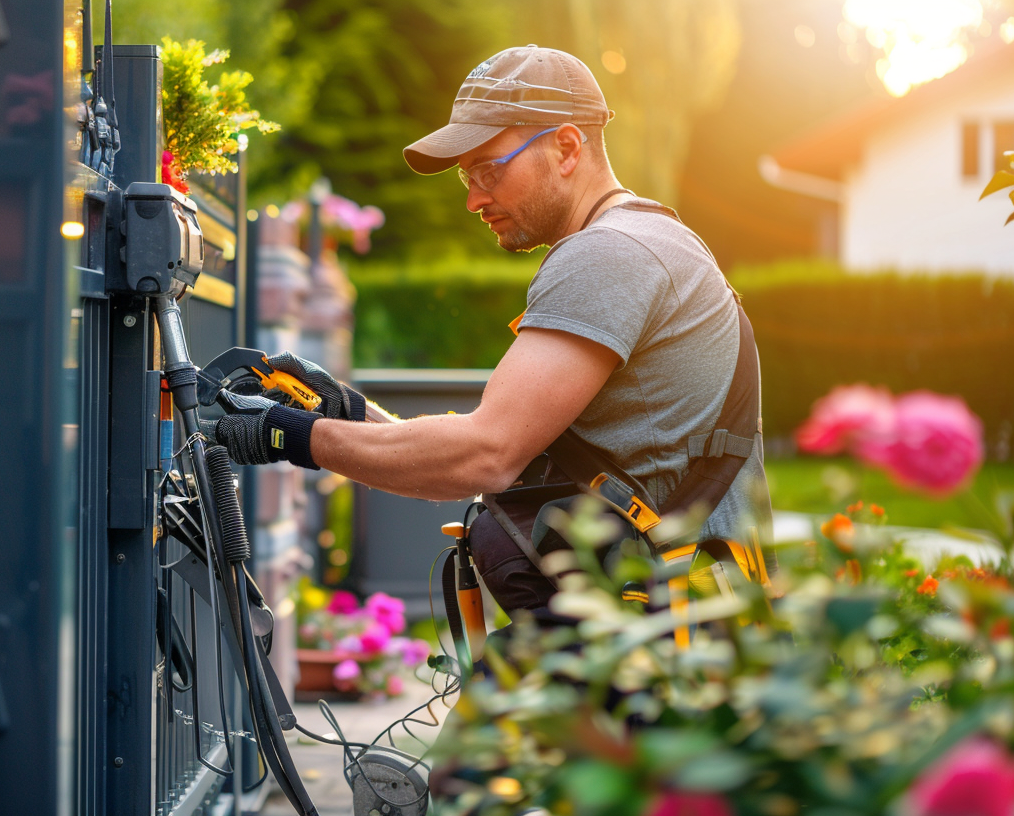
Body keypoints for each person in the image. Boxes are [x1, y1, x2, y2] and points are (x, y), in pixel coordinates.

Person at [211, 44, 770, 606]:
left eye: (489, 169)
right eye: (466, 177)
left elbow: (486, 455)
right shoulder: (648, 239)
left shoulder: (608, 256)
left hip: (650, 641)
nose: (476, 199)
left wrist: (293, 434)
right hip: (670, 619)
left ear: (567, 147)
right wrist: (353, 418)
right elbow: (521, 455)